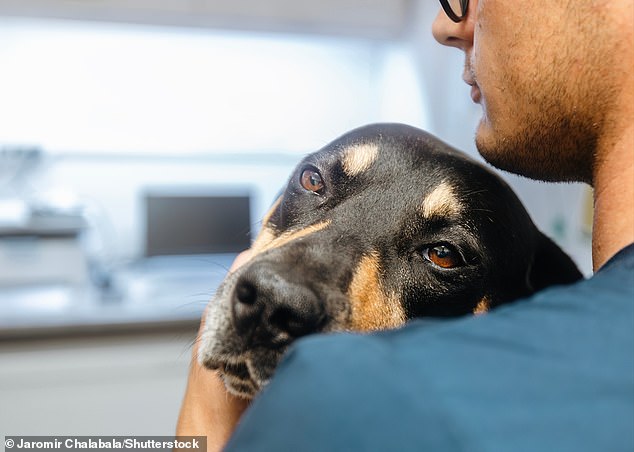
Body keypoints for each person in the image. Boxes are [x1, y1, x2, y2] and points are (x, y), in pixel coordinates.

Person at [176, 0, 634, 450]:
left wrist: (203, 426)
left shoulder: (380, 405)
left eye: (441, 254)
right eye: (315, 183)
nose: (444, 24)